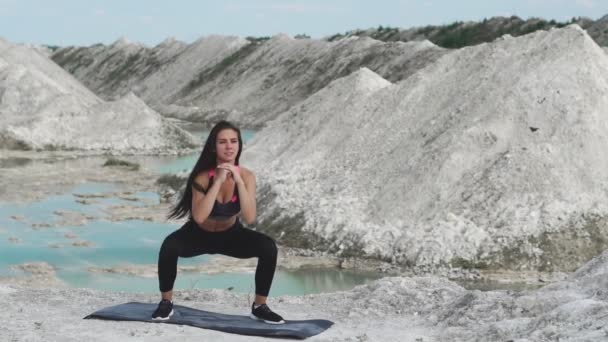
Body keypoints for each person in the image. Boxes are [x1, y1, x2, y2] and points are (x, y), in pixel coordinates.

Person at [152, 120, 284, 324]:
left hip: (231, 236)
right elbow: (200, 217)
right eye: (223, 142)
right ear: (214, 147)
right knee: (169, 246)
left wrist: (238, 181)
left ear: (239, 145)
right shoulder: (202, 177)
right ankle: (166, 303)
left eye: (233, 141)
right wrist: (219, 180)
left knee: (268, 247)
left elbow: (249, 217)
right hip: (197, 235)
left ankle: (259, 306)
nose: (229, 146)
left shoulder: (248, 176)